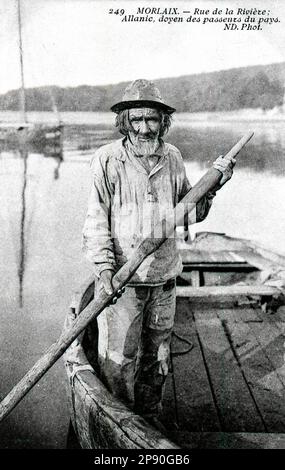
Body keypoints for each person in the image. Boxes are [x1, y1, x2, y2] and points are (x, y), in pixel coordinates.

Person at [82, 79, 235, 429]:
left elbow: (190, 214)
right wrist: (105, 271)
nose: (144, 128)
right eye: (136, 120)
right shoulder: (107, 160)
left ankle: (148, 421)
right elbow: (95, 223)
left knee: (158, 358)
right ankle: (119, 426)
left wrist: (215, 186)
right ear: (124, 122)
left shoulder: (174, 157)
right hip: (123, 282)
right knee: (118, 362)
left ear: (163, 121)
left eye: (152, 119)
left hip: (165, 280)